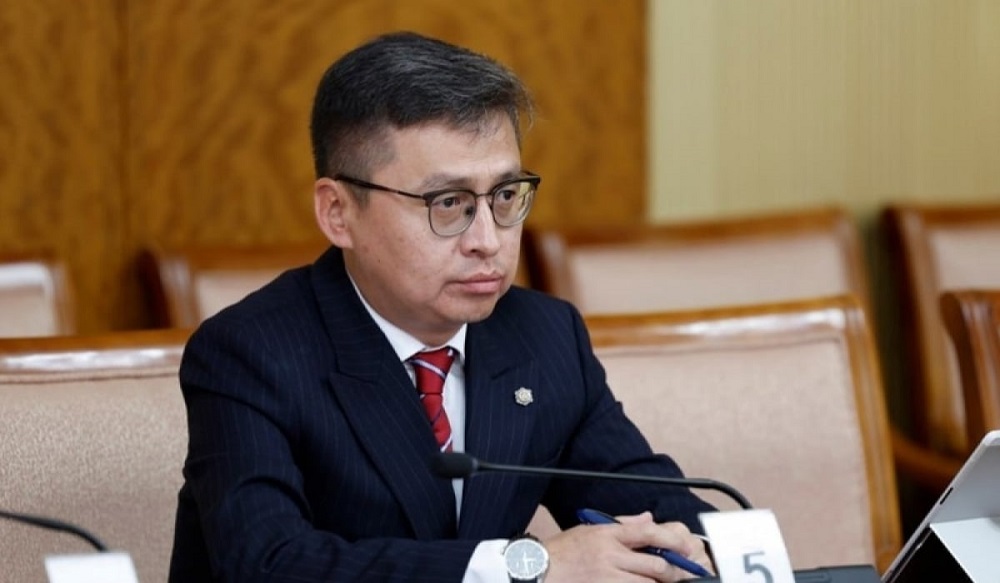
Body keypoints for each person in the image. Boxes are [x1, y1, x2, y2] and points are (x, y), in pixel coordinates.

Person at [168, 31, 715, 582]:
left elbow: (653, 506)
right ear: (338, 212)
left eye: (505, 196)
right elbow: (268, 563)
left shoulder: (545, 335)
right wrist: (526, 569)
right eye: (448, 203)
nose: (488, 240)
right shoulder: (249, 354)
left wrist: (721, 551)